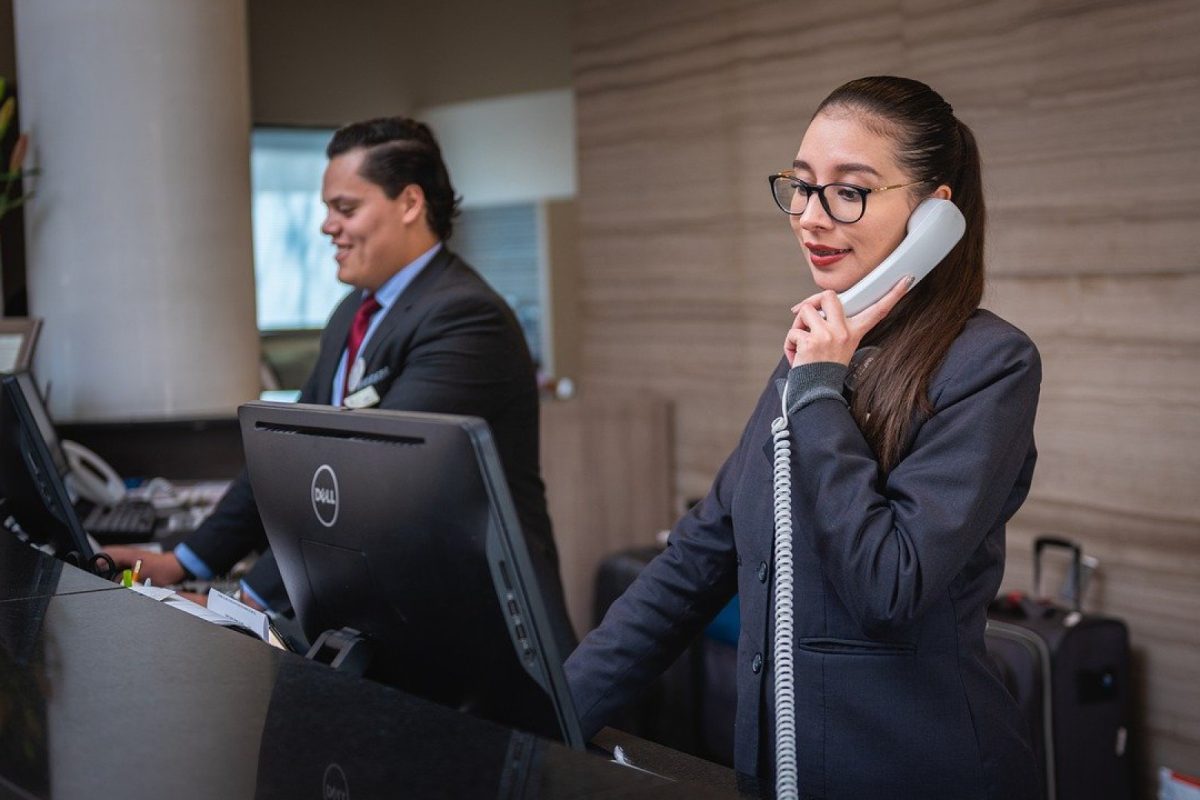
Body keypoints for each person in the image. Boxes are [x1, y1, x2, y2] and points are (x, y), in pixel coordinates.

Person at [564, 76, 1042, 798]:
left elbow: (891, 583)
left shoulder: (989, 363)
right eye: (800, 185)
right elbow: (697, 558)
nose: (809, 217)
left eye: (848, 191)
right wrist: (551, 710)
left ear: (933, 216)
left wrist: (820, 390)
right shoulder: (817, 354)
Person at [109, 117, 573, 650]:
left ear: (410, 204)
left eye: (345, 208)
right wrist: (183, 562)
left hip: (476, 636)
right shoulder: (353, 310)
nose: (327, 226)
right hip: (385, 619)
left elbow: (368, 489)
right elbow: (285, 457)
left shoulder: (466, 318)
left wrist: (245, 604)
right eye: (328, 208)